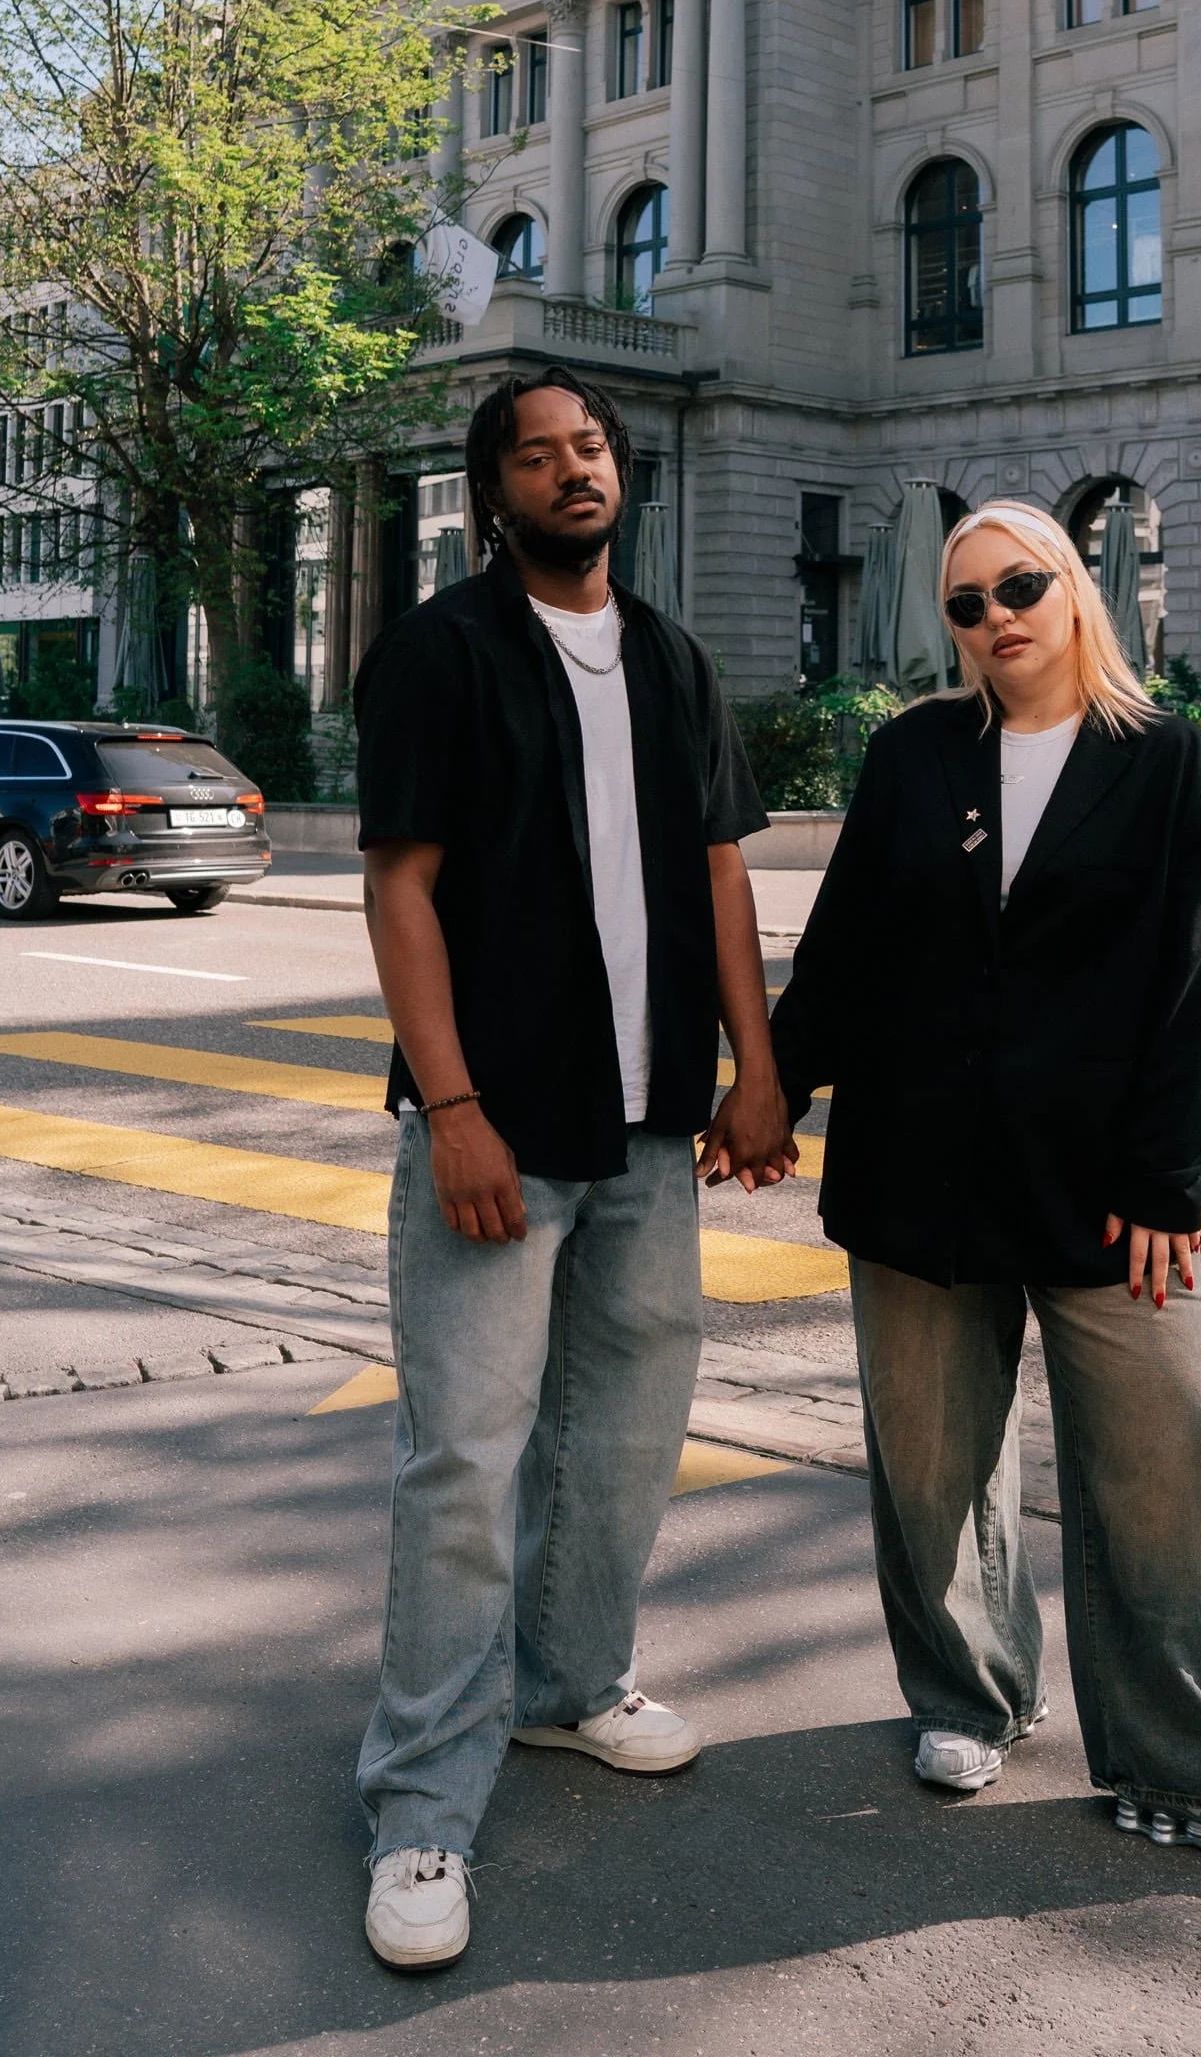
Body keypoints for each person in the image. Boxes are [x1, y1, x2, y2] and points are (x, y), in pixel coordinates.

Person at [773, 499, 1201, 1888]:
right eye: (965, 603)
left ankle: (1180, 1766)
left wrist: (1166, 1179)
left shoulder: (1173, 763)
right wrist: (767, 1090)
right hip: (916, 1168)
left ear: (1077, 588)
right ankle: (971, 1695)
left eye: (1018, 585)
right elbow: (844, 953)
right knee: (930, 1467)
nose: (995, 617)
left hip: (1106, 1185)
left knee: (1162, 1464)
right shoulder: (913, 754)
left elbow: (1197, 987)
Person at [352, 367, 792, 1970]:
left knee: (623, 1438)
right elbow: (401, 888)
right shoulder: (441, 653)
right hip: (501, 1124)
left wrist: (759, 1069)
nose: (572, 469)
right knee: (465, 1462)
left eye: (591, 446)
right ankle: (419, 1802)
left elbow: (722, 875)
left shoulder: (671, 658)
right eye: (537, 456)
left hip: (652, 1124)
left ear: (623, 472)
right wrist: (453, 1104)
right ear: (495, 494)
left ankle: (568, 1685)